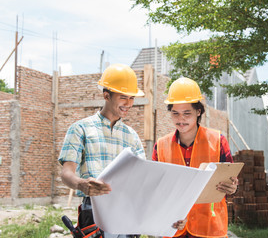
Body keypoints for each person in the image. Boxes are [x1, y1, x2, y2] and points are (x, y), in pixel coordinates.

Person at [58, 64, 145, 238]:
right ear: (106, 95)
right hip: (94, 210)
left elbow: (142, 178)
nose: (128, 103)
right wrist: (80, 184)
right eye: (123, 97)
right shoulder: (80, 129)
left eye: (131, 98)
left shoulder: (132, 136)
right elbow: (66, 173)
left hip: (127, 210)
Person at [152, 77, 238, 238]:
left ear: (198, 112)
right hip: (173, 227)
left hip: (209, 227)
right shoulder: (160, 146)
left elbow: (229, 181)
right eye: (175, 113)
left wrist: (232, 188)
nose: (180, 119)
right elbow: (158, 189)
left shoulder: (218, 141)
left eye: (187, 113)